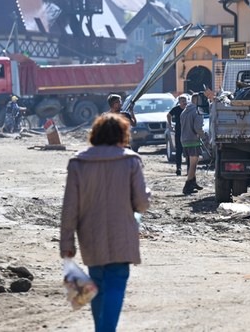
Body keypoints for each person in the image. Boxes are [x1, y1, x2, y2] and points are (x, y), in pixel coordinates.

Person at [60, 113, 151, 332]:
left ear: (95, 135)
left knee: (97, 283)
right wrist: (147, 194)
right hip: (122, 236)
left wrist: (66, 243)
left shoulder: (78, 162)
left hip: (90, 237)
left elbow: (69, 207)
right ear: (123, 135)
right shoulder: (130, 160)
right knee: (116, 283)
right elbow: (141, 203)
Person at [180, 92, 207, 194]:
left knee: (191, 163)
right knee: (193, 165)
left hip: (184, 140)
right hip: (193, 141)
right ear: (197, 100)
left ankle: (193, 183)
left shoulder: (184, 111)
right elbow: (198, 128)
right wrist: (204, 136)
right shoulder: (197, 111)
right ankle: (187, 186)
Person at [167, 94, 189, 176]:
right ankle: (178, 168)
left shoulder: (188, 109)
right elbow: (168, 115)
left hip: (187, 132)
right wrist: (170, 124)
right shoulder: (176, 109)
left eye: (185, 101)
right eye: (182, 101)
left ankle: (188, 169)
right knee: (178, 151)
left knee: (187, 151)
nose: (184, 103)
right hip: (178, 132)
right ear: (179, 102)